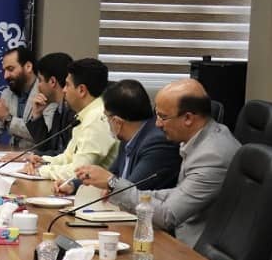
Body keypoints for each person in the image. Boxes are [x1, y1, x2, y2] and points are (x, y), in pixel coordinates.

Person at [101, 78, 240, 248]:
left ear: (188, 118)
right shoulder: (198, 139)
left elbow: (168, 215)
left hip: (195, 251)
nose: (157, 124)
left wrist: (114, 184)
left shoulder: (212, 155)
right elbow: (176, 194)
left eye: (163, 117)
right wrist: (119, 190)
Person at [60, 79, 181, 195]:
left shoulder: (158, 143)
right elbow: (113, 174)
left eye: (106, 117)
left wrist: (109, 181)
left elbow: (130, 190)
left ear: (117, 122)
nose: (106, 122)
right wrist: (73, 185)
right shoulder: (127, 137)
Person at [22, 58, 118, 181]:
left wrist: (39, 171)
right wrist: (43, 161)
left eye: (67, 85)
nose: (64, 90)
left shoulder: (98, 118)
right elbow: (68, 157)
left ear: (81, 90)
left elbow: (79, 171)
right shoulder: (86, 115)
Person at [0, 45, 47, 148]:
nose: (5, 76)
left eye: (10, 69)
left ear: (28, 67)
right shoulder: (7, 93)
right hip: (11, 154)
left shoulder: (45, 92)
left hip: (36, 155)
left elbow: (43, 136)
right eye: (4, 71)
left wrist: (7, 118)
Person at [25, 52, 73, 155]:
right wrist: (37, 116)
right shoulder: (59, 110)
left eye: (40, 80)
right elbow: (46, 148)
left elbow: (65, 155)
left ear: (52, 81)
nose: (38, 86)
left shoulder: (72, 111)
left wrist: (31, 156)